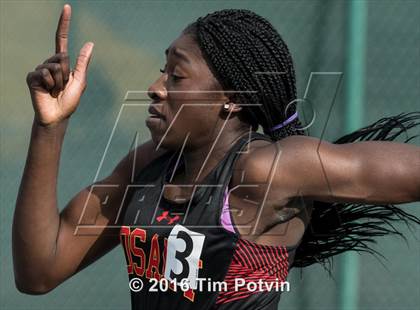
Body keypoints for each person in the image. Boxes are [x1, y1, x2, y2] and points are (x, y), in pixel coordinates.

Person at [13, 4, 420, 310]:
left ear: (232, 99)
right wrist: (49, 127)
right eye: (161, 70)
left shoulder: (265, 170)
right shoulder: (147, 168)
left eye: (176, 75)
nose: (155, 87)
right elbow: (38, 271)